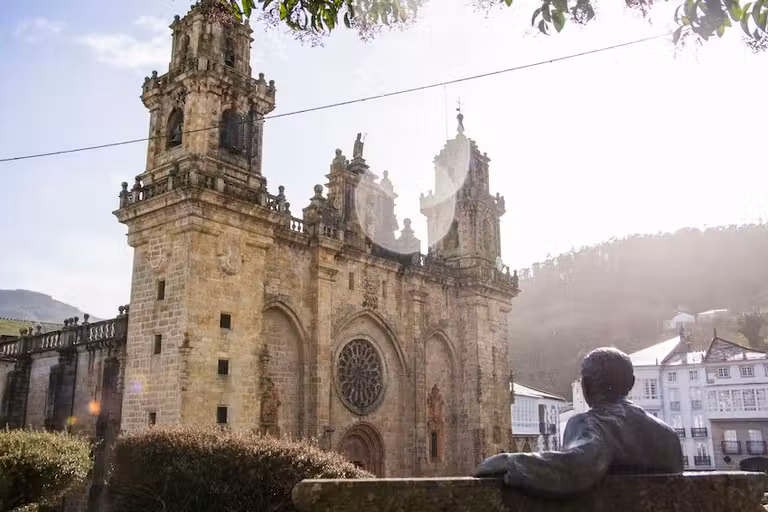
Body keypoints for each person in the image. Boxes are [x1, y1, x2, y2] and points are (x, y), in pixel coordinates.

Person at [472, 347, 683, 496]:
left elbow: (576, 467)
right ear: (632, 383)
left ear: (585, 386)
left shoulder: (592, 423)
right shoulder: (668, 435)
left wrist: (511, 462)